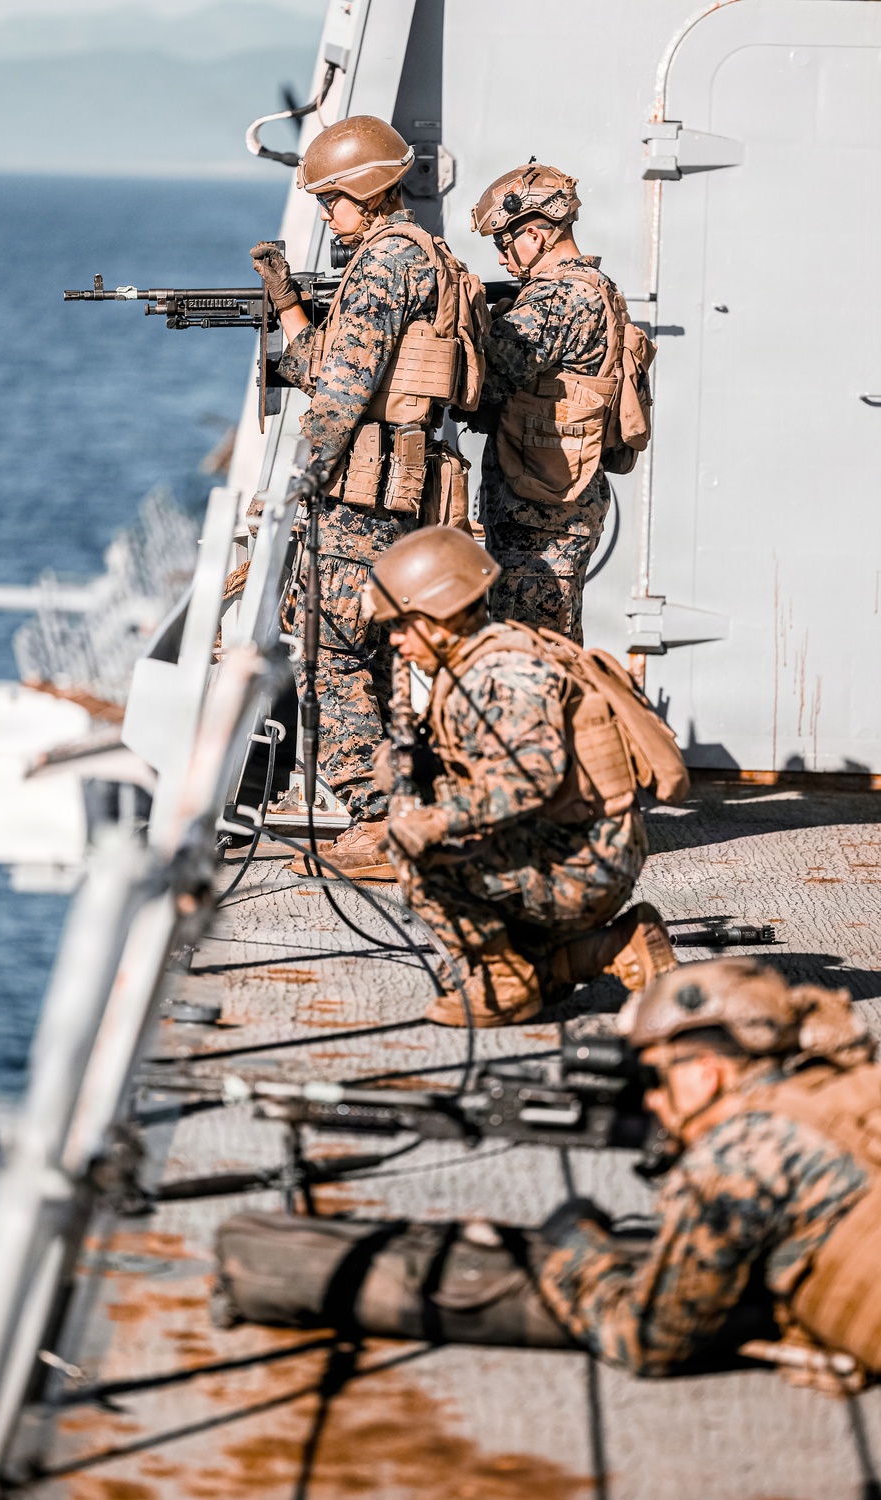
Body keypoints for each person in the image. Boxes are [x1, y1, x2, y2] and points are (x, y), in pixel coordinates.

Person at [250, 115, 482, 880]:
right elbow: (341, 359)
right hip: (397, 491)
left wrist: (297, 481)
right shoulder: (420, 256)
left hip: (361, 498)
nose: (325, 214)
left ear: (363, 189)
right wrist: (290, 305)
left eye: (331, 200)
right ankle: (403, 813)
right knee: (380, 653)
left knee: (330, 650)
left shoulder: (384, 265)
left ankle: (376, 819)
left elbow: (343, 389)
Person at [362, 525, 676, 1027]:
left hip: (585, 862)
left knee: (423, 861)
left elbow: (530, 777)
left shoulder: (502, 673)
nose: (396, 639)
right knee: (523, 959)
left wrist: (435, 823)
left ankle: (505, 989)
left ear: (441, 614)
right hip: (582, 846)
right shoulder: (481, 658)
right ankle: (619, 946)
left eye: (404, 624)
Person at [537, 957, 881, 1387]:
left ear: (707, 1073)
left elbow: (646, 1341)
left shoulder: (736, 1159)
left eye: (654, 1077)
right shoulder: (859, 1088)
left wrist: (575, 1248)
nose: (652, 1102)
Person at [465, 163, 654, 643]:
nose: (504, 258)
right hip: (556, 505)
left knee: (531, 660)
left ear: (534, 234)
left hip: (541, 516)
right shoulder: (596, 286)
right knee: (551, 652)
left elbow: (483, 387)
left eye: (504, 243)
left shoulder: (557, 298)